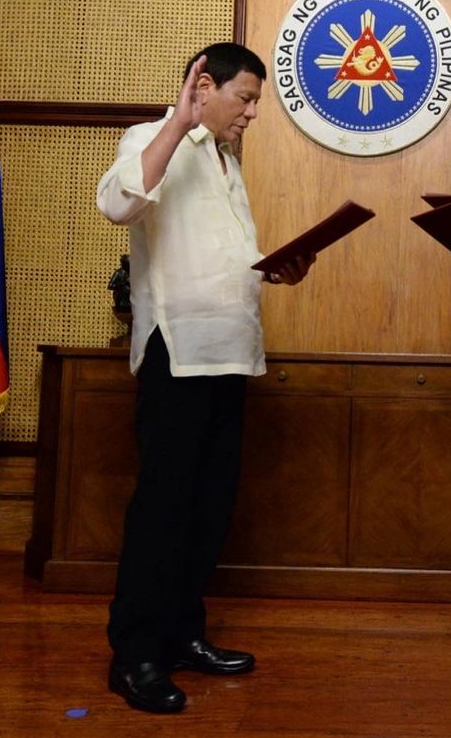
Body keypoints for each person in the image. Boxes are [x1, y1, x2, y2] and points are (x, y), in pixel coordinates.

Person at [96, 43, 313, 714]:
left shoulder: (226, 161)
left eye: (256, 101)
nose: (252, 112)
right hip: (178, 353)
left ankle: (183, 634)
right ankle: (134, 655)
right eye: (245, 98)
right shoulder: (152, 137)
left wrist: (274, 267)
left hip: (231, 353)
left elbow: (226, 252)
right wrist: (178, 122)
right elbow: (117, 203)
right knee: (164, 509)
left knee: (208, 506)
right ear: (204, 86)